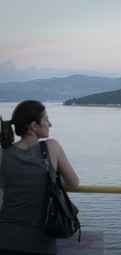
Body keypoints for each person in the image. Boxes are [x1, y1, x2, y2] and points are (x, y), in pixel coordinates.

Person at [0, 100, 79, 255]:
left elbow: (3, 185)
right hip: (39, 242)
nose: (50, 124)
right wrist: (51, 179)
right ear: (34, 126)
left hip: (5, 238)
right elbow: (74, 183)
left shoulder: (3, 153)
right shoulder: (51, 147)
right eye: (46, 119)